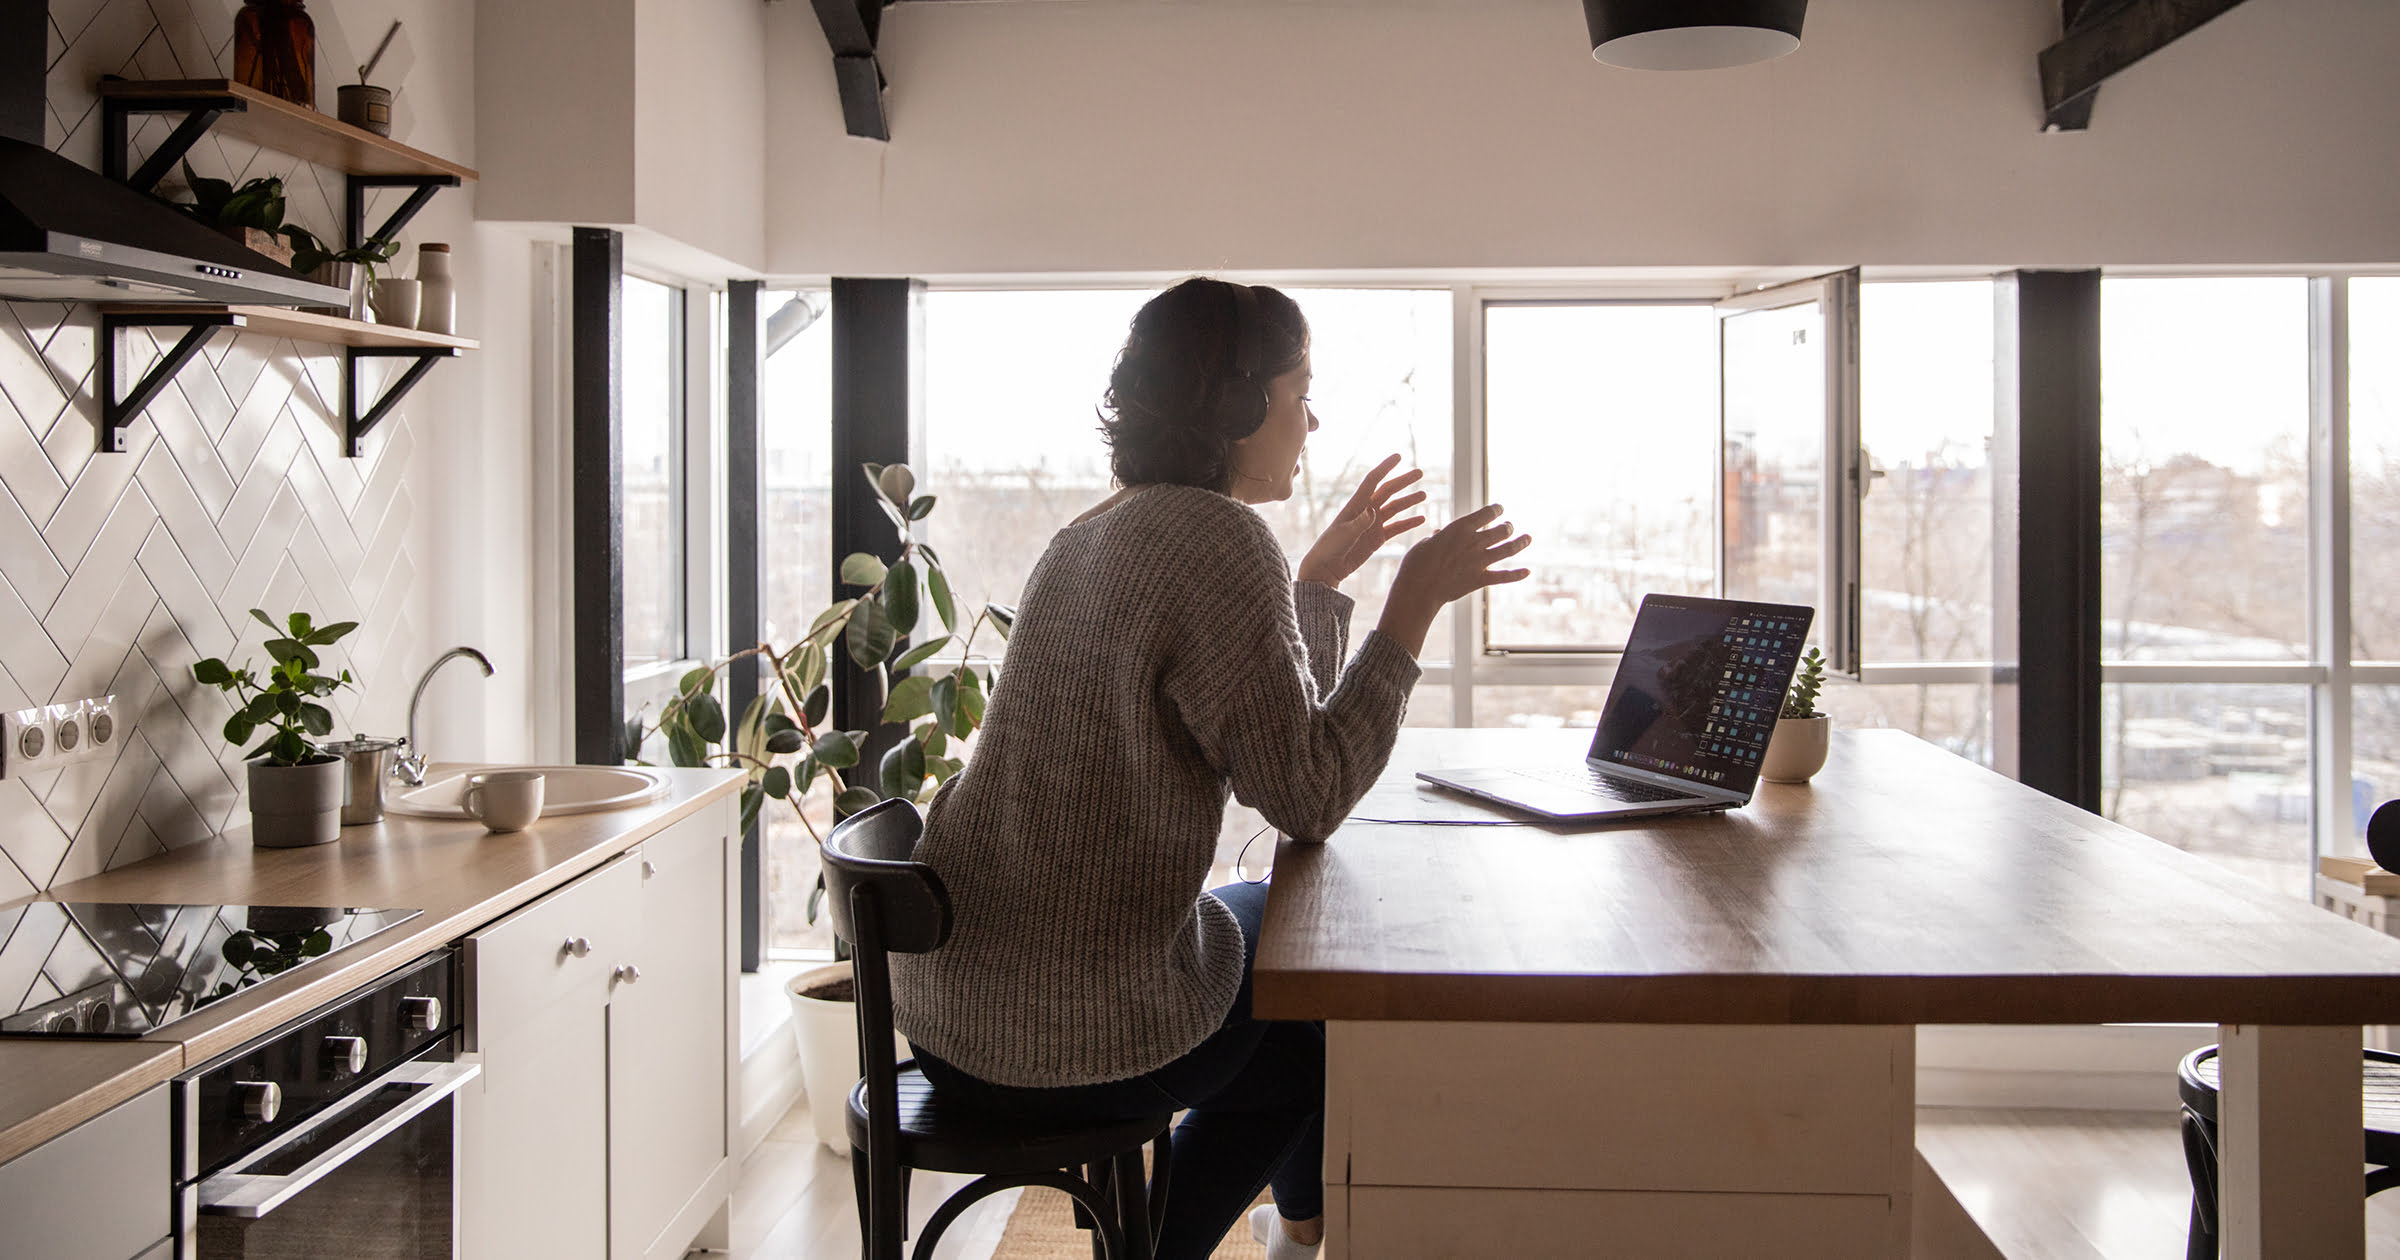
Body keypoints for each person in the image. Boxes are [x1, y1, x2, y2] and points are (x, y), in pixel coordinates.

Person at [891, 277, 1530, 1259]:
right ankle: (1181, 1248)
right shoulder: (1220, 541)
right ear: (1235, 404)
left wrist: (1313, 588)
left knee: (1276, 949)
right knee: (1312, 1004)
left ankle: (1280, 1234)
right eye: (1298, 389)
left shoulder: (1093, 532)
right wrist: (1410, 606)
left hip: (950, 1010)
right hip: (1065, 1029)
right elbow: (1309, 795)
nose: (1310, 420)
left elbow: (1264, 733)